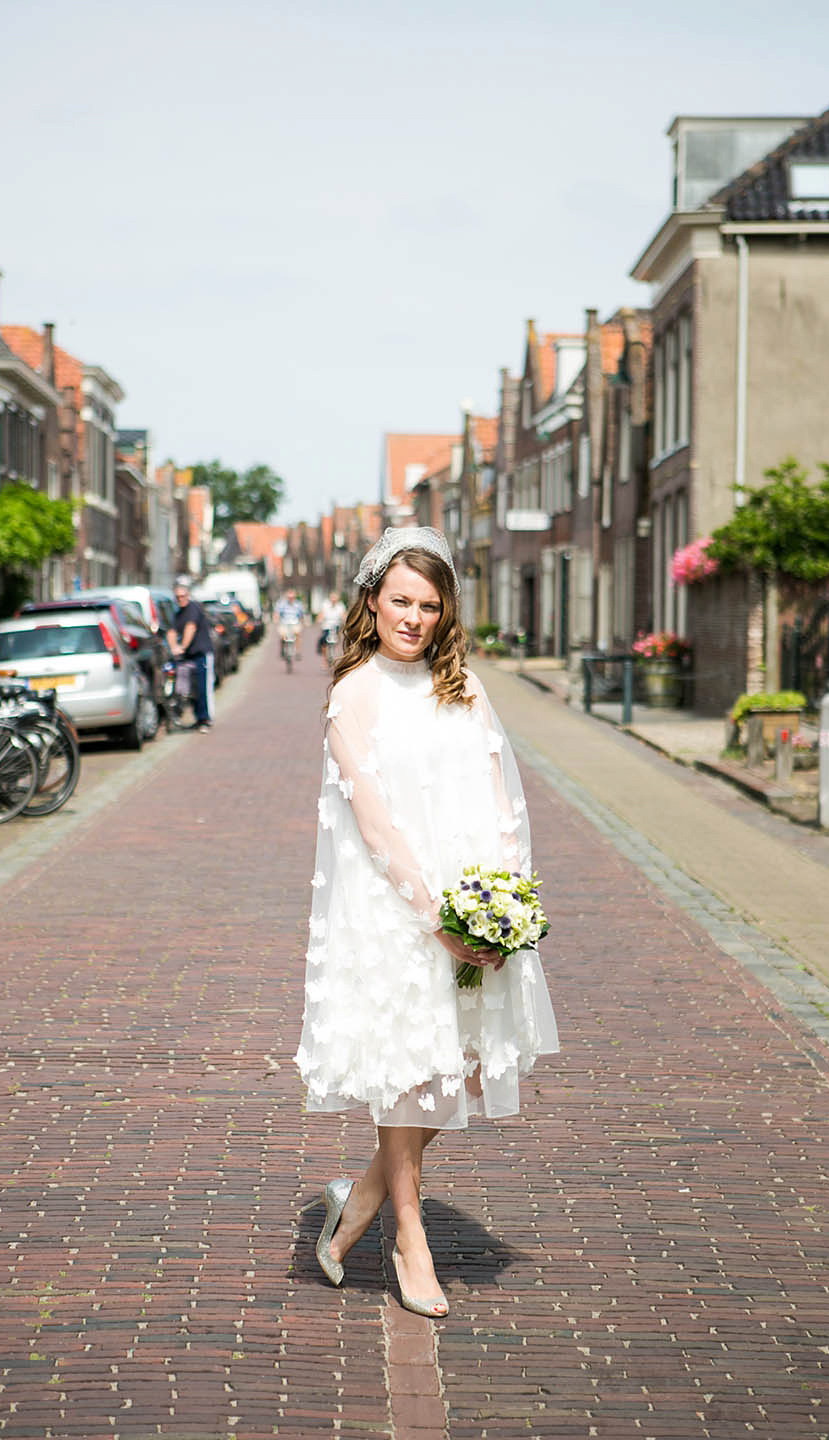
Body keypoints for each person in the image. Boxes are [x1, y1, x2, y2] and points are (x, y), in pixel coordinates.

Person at [295, 527, 558, 1319]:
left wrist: (504, 900)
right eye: (400, 601)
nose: (413, 617)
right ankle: (410, 1238)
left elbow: (502, 799)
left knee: (461, 1072)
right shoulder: (354, 694)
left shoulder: (466, 688)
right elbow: (374, 826)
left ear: (445, 614)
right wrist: (436, 919)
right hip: (393, 911)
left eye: (429, 605)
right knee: (408, 1073)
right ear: (372, 601)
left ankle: (360, 1204)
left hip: (473, 902)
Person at [167, 577, 215, 732]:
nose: (180, 599)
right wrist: (174, 646)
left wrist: (182, 647)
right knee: (190, 688)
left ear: (188, 594)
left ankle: (205, 719)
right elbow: (172, 631)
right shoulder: (178, 613)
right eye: (177, 597)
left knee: (202, 688)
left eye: (183, 596)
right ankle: (197, 717)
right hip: (188, 656)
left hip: (201, 654)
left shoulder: (193, 608)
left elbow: (190, 628)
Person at [316, 591, 346, 667]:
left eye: (335, 598)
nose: (333, 599)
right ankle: (324, 660)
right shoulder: (325, 605)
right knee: (323, 641)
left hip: (336, 626)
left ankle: (335, 652)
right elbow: (321, 614)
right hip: (327, 626)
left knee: (338, 638)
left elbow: (343, 614)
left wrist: (344, 620)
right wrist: (319, 619)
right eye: (332, 598)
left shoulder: (340, 606)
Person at [274, 589, 306, 661]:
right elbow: (277, 613)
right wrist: (276, 618)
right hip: (284, 623)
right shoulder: (282, 604)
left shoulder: (298, 604)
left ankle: (297, 652)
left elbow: (301, 615)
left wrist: (303, 622)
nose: (291, 599)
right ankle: (282, 649)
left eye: (292, 597)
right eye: (289, 597)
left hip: (295, 622)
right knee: (282, 635)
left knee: (297, 634)